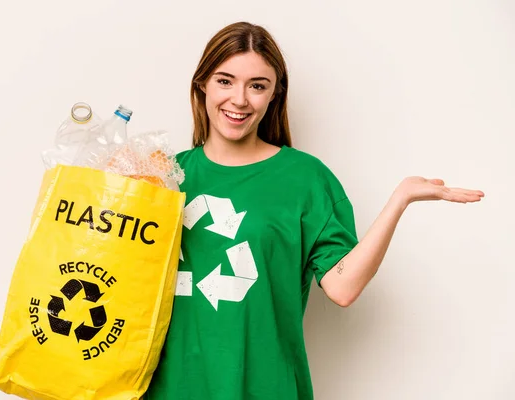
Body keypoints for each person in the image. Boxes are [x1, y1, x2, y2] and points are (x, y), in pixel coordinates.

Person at [144, 21, 484, 400]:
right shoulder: (161, 176)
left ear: (274, 94)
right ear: (202, 84)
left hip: (265, 387)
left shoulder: (305, 179)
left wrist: (399, 200)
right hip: (170, 388)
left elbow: (342, 287)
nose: (239, 99)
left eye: (257, 85)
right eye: (225, 81)